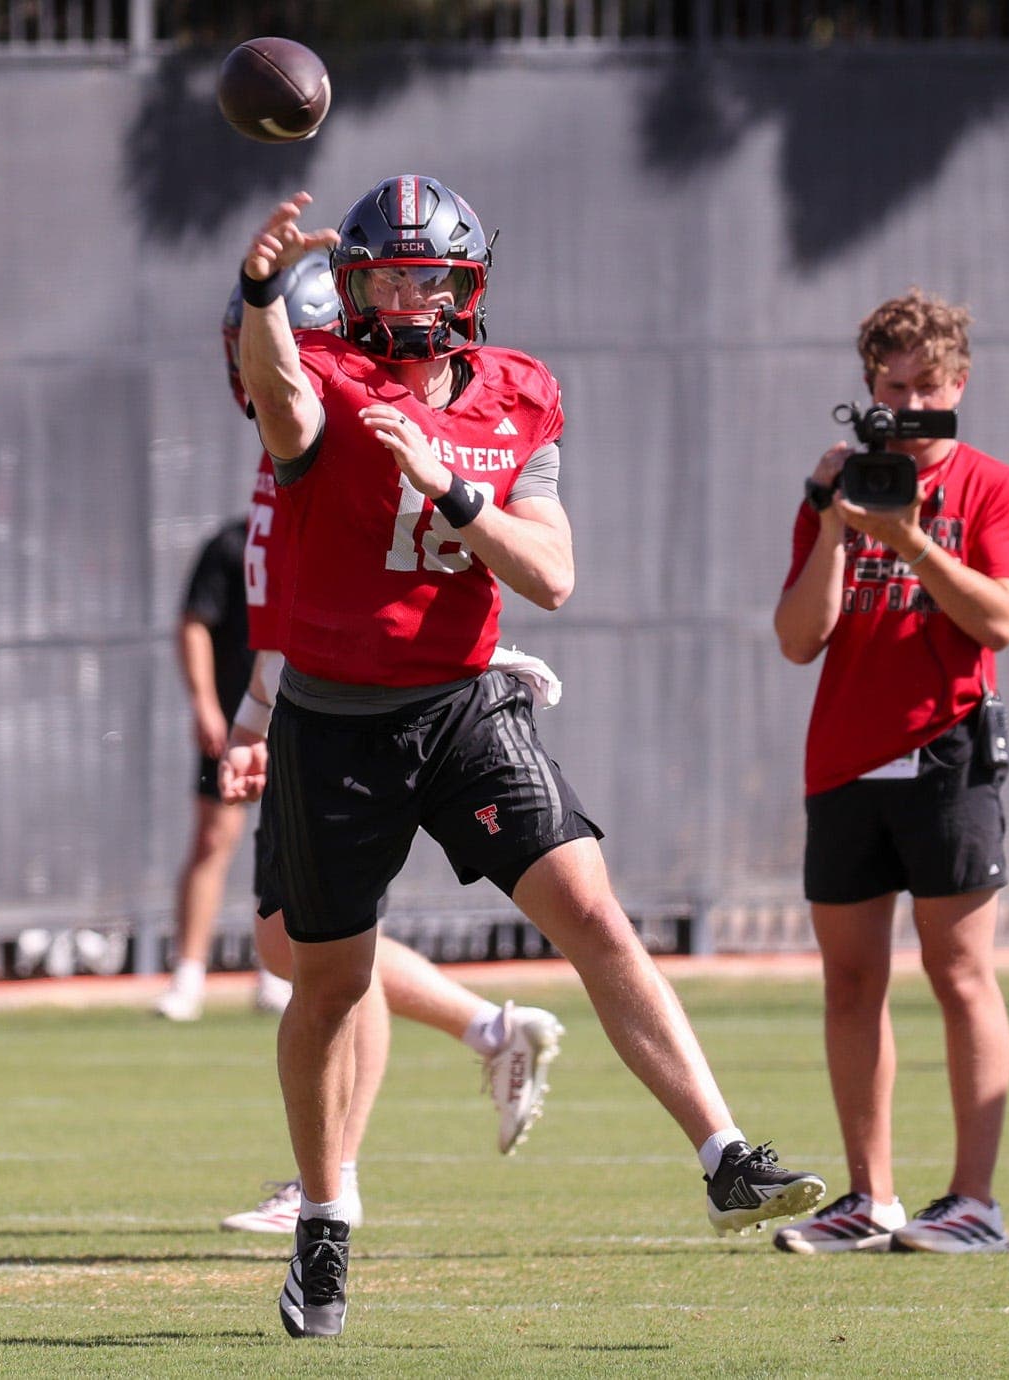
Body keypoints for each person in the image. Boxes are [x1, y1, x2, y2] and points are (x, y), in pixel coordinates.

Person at [232, 177, 825, 1338]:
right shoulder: (328, 376)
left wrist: (450, 488)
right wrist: (258, 293)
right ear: (352, 286)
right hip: (337, 720)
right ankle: (325, 1216)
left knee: (593, 914)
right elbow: (279, 398)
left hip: (464, 702)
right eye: (388, 276)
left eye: (430, 278)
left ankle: (723, 1157)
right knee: (330, 983)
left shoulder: (518, 393)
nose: (410, 298)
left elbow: (550, 573)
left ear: (467, 287)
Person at [202, 258, 570, 1226]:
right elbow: (292, 598)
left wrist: (259, 716)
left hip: (360, 713)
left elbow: (352, 594)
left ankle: (336, 1174)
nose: (250, 364)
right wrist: (256, 716)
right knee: (293, 943)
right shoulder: (289, 438)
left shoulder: (334, 425)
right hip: (311, 704)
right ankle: (485, 1031)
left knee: (326, 944)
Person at [770, 289, 1009, 1256]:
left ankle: (974, 1202)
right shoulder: (837, 490)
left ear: (959, 384)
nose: (912, 406)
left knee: (959, 972)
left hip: (948, 750)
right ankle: (869, 1196)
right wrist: (833, 522)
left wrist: (912, 540)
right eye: (894, 389)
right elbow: (798, 638)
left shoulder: (993, 487)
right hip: (845, 754)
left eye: (929, 387)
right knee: (850, 981)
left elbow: (1000, 620)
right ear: (868, 391)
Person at [155, 508, 260, 1022]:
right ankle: (189, 976)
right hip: (235, 721)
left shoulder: (322, 535)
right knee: (213, 838)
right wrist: (204, 703)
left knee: (298, 846)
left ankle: (281, 974)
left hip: (304, 718)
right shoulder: (231, 544)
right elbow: (195, 622)